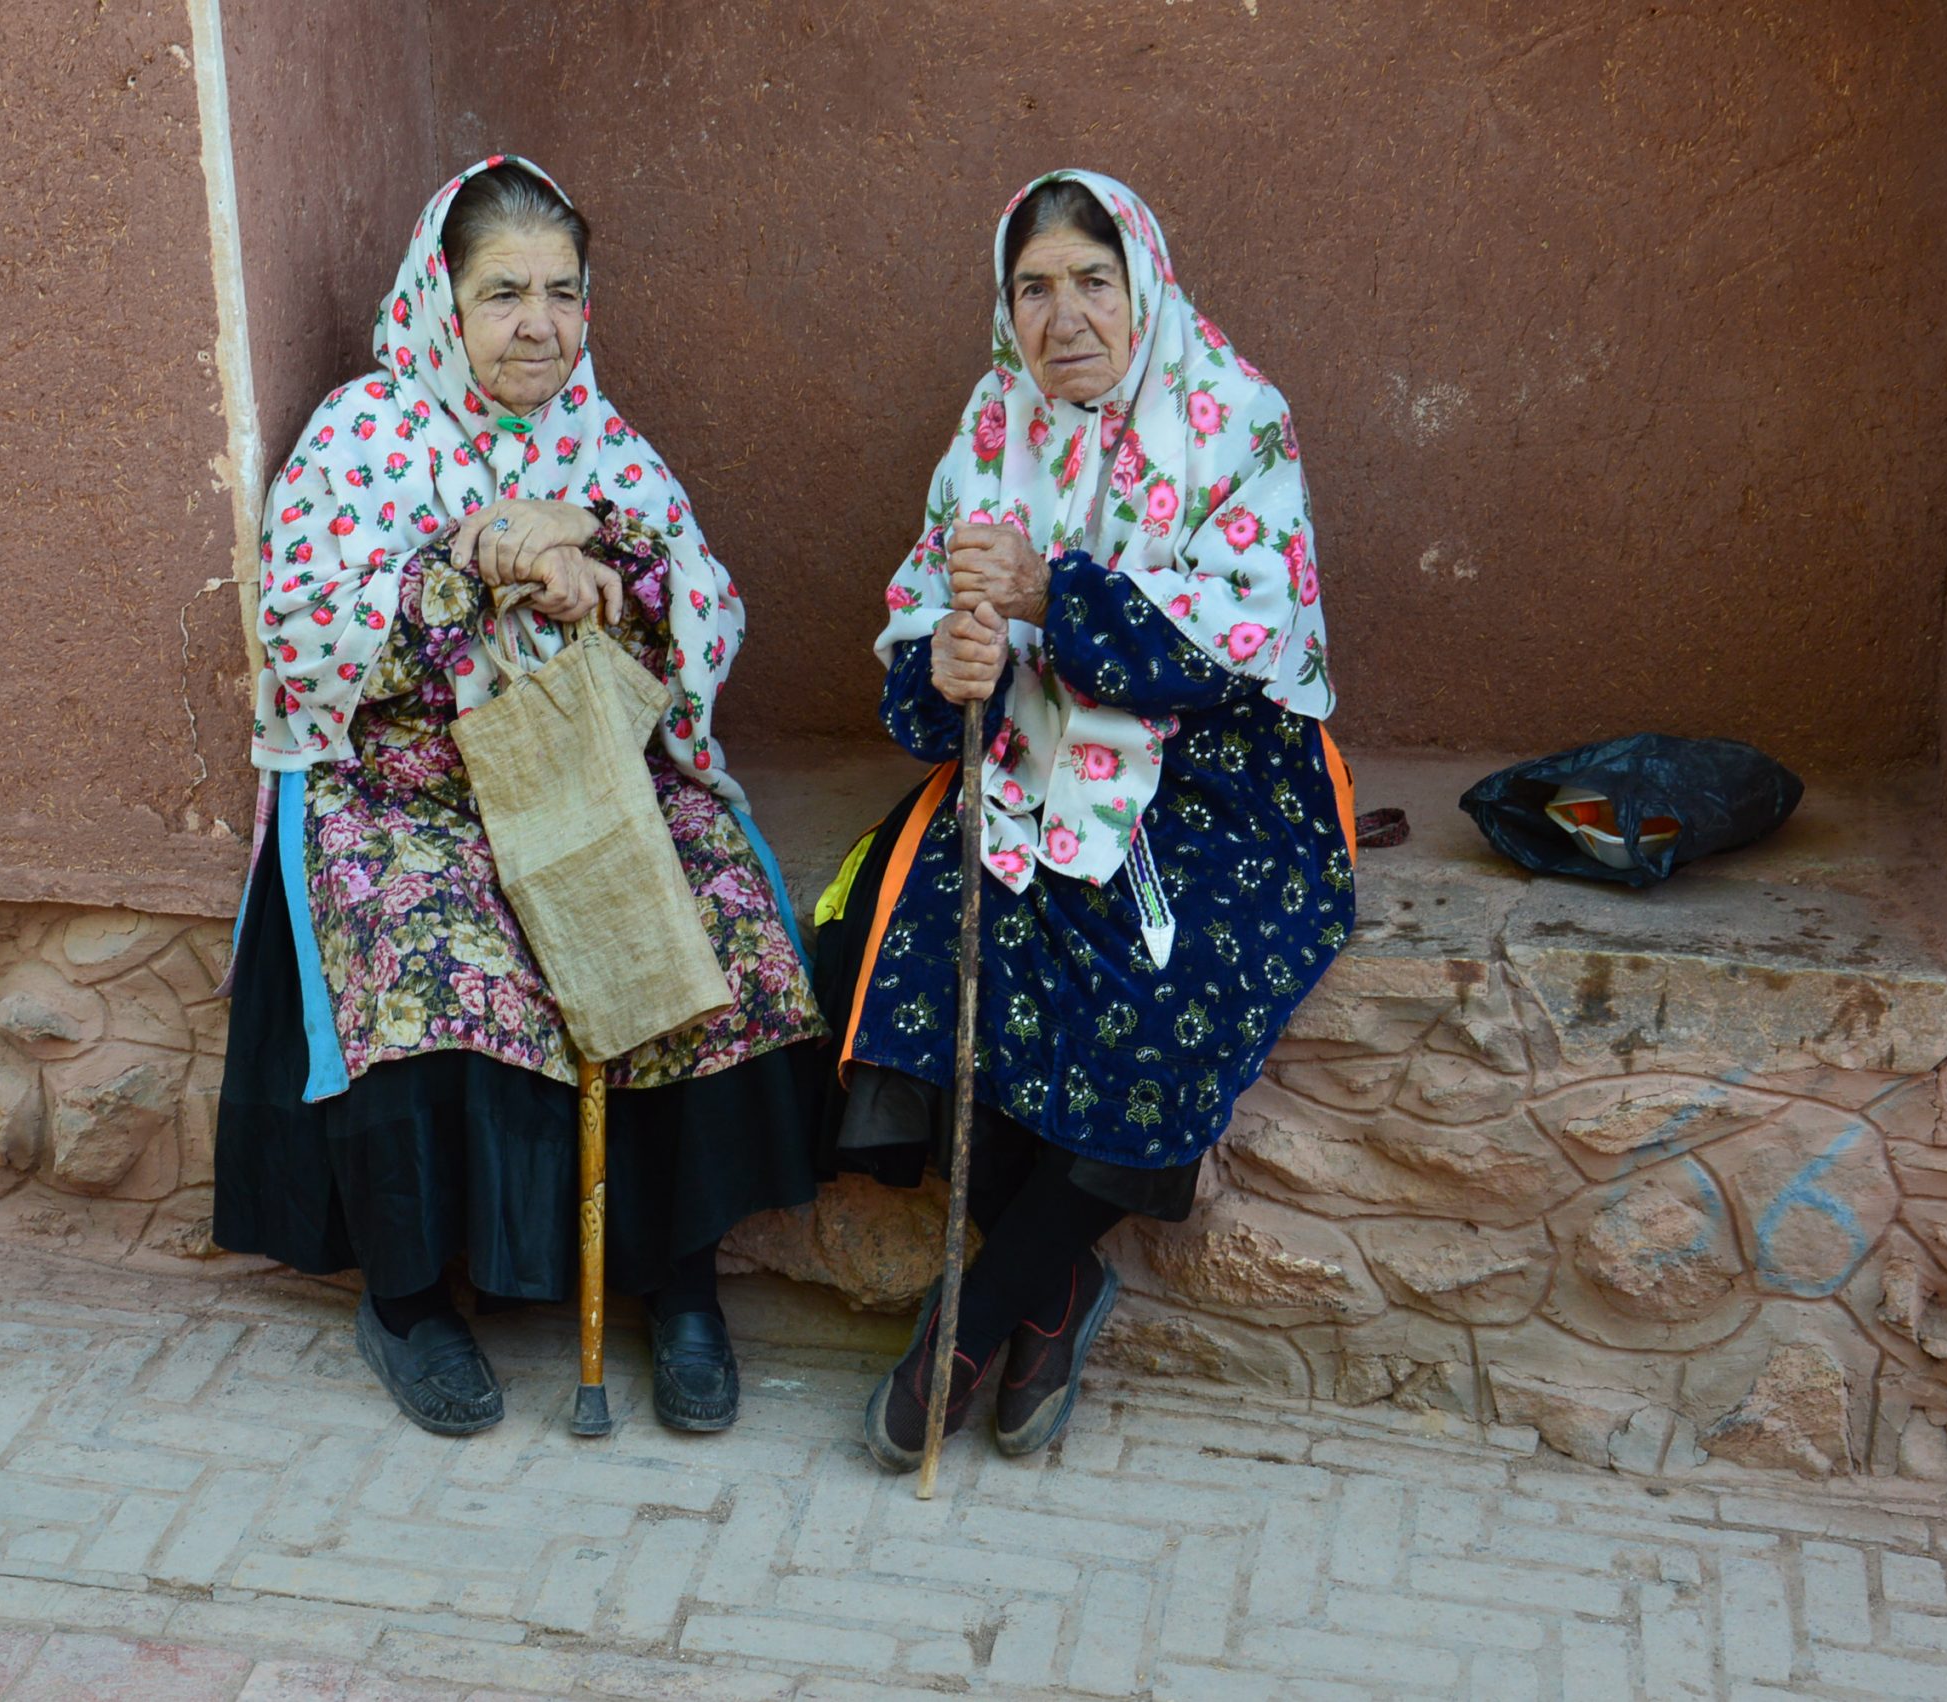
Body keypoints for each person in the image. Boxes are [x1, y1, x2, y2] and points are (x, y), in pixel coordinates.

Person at [217, 157, 821, 1437]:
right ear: (442, 303)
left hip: (581, 772)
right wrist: (470, 560)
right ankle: (408, 1301)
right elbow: (307, 627)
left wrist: (619, 571)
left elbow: (711, 608)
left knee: (708, 918)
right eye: (502, 294)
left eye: (561, 292)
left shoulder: (604, 439)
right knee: (432, 957)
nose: (537, 324)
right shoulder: (361, 434)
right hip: (412, 792)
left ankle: (682, 1283)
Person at [815, 171, 1357, 1468]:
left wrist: (1056, 592)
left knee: (1167, 995)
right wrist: (942, 664)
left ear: (1145, 285)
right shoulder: (996, 422)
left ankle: (975, 1313)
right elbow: (925, 623)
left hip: (1217, 779)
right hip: (1028, 759)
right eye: (1034, 288)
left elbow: (1230, 654)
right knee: (899, 968)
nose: (1065, 318)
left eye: (1092, 282)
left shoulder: (1237, 418)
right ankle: (1055, 1293)